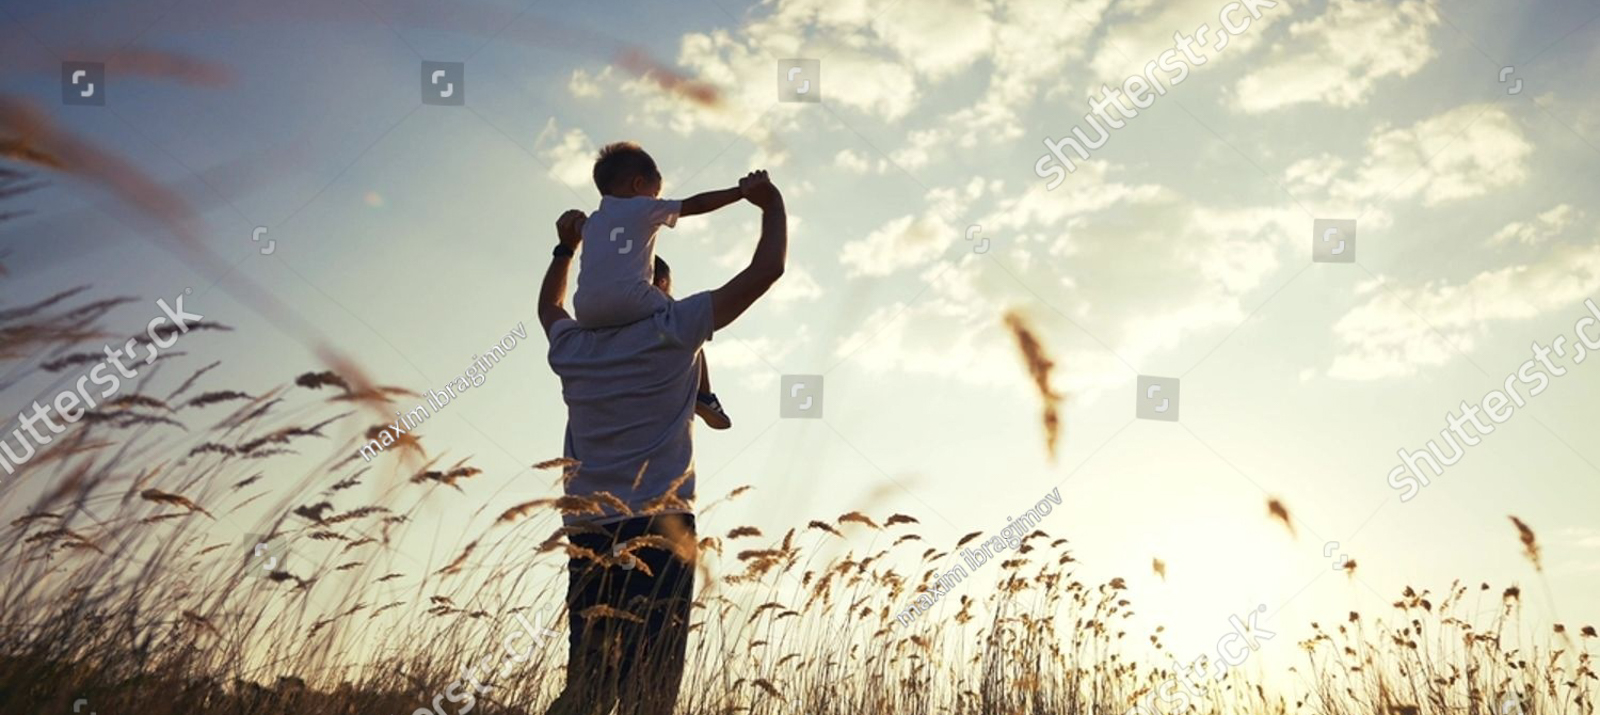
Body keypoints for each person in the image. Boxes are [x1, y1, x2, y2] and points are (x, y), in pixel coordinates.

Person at [538, 170, 785, 715]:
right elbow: (767, 270)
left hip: (588, 529)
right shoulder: (675, 328)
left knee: (587, 685)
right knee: (650, 691)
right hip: (660, 521)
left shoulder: (572, 347)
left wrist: (565, 249)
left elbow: (549, 311)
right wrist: (769, 205)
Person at [574, 141, 742, 429]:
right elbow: (697, 204)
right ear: (638, 185)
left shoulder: (593, 223)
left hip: (584, 311)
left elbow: (579, 233)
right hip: (629, 298)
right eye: (655, 194)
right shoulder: (642, 207)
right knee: (688, 324)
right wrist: (740, 193)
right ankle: (704, 395)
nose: (656, 200)